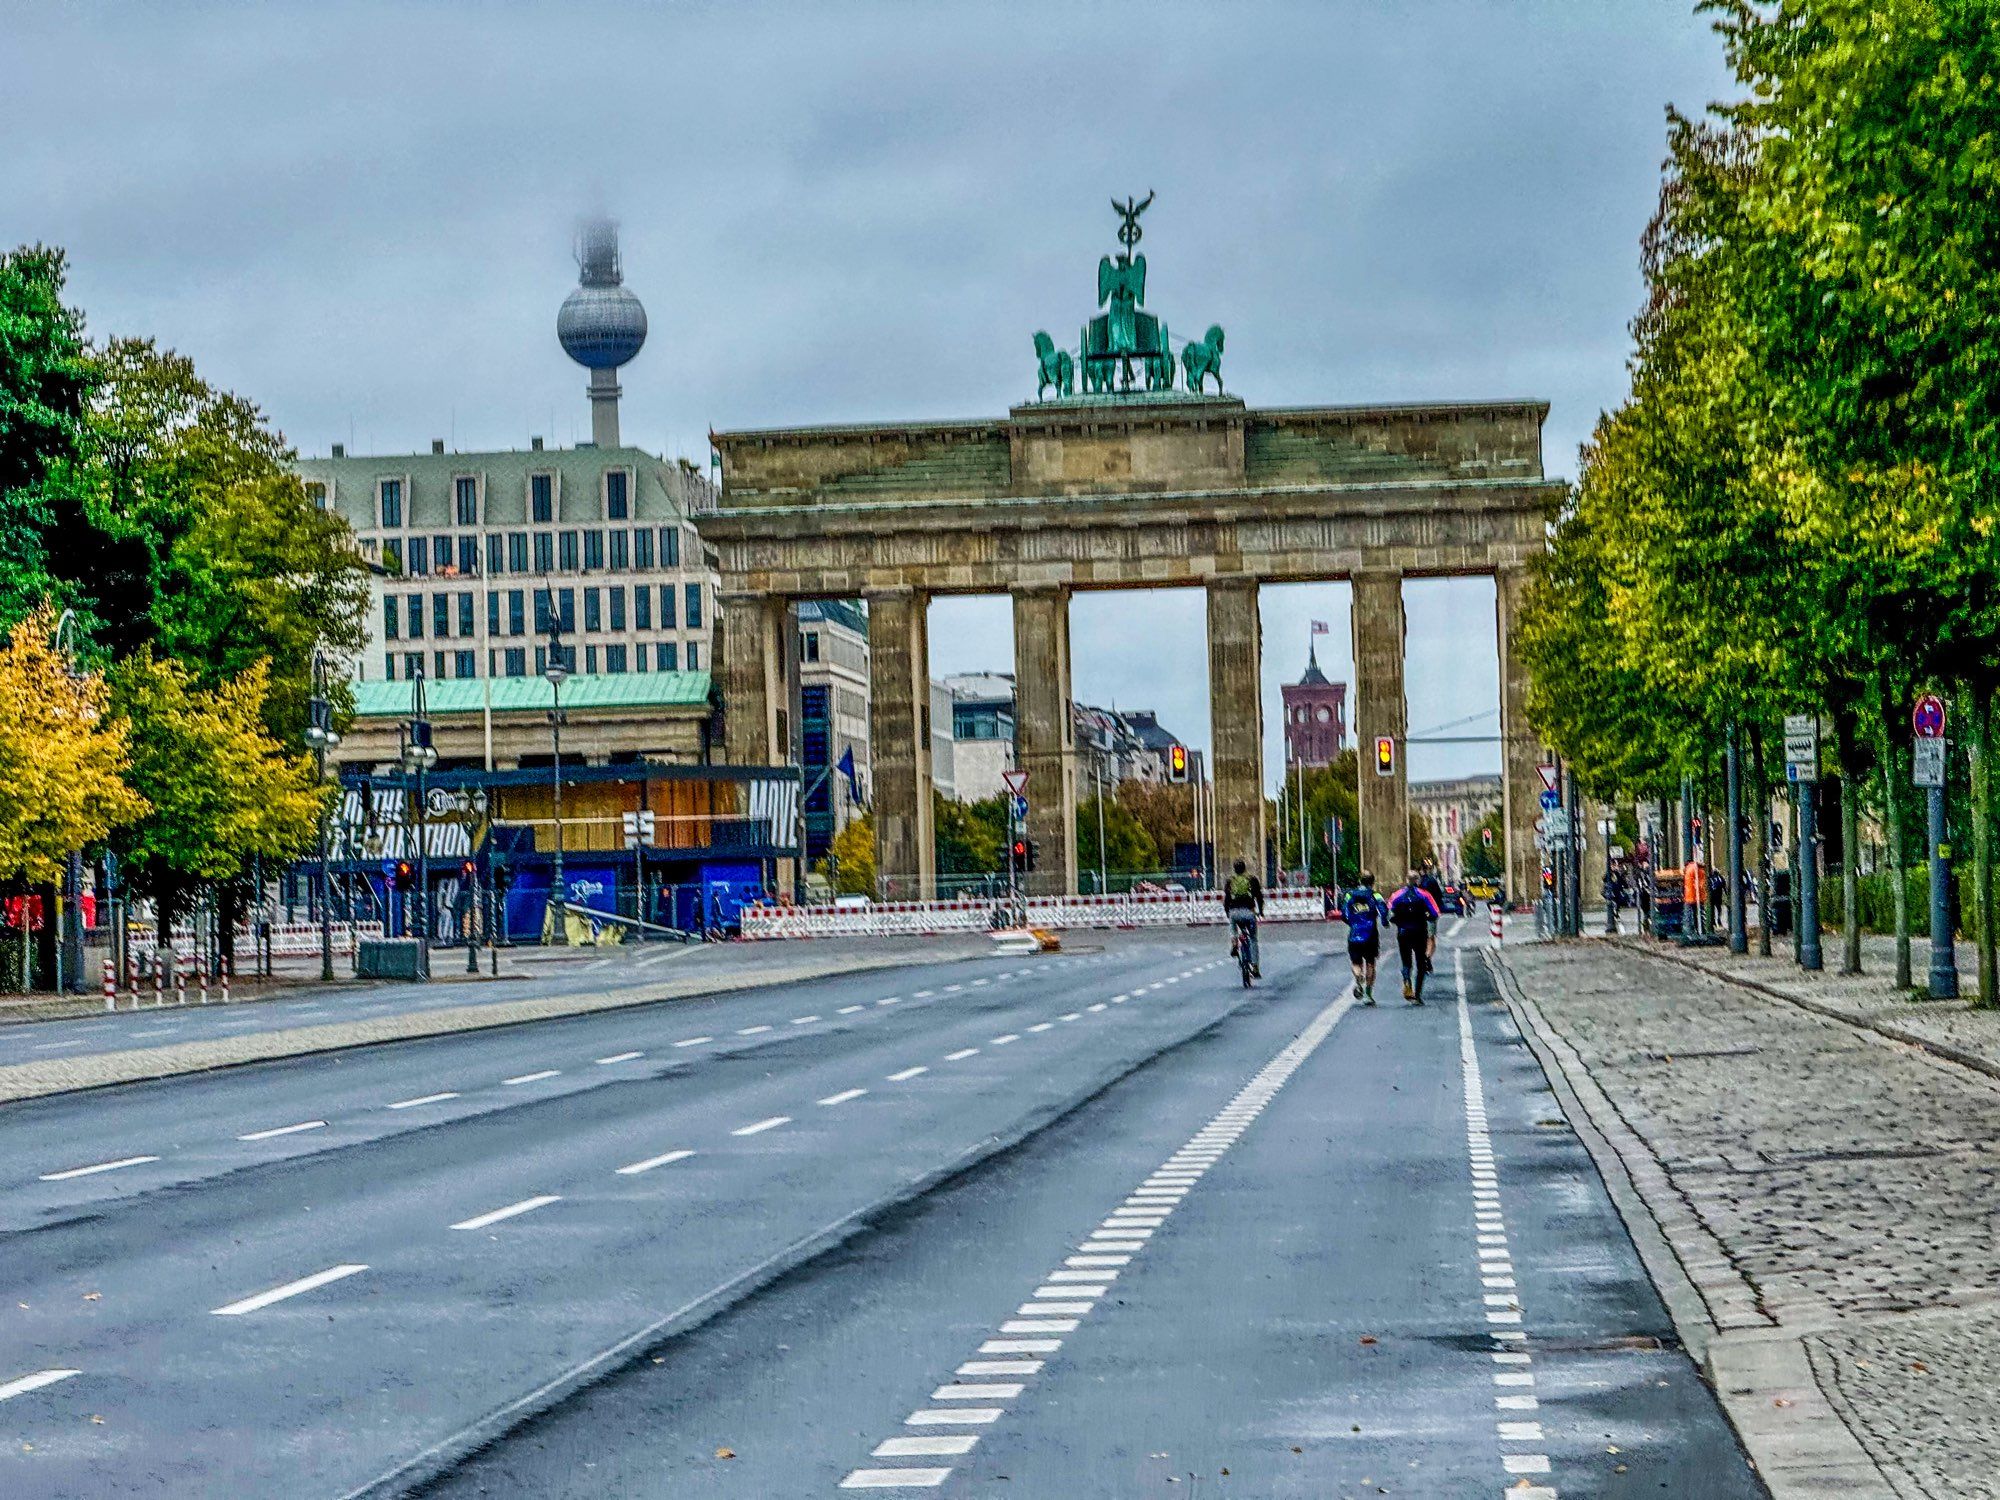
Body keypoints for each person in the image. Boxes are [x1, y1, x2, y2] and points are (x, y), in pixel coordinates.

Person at [1387, 870, 1442, 1003]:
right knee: (1420, 964)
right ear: (1418, 881)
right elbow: (1435, 912)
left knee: (1406, 961)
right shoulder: (1424, 895)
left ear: (1407, 880)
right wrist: (1426, 916)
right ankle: (1417, 995)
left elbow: (1389, 912)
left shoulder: (1397, 895)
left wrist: (1398, 921)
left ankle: (1407, 980)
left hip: (1403, 932)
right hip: (1419, 932)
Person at [1339, 871, 1389, 1003]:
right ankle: (1368, 994)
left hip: (1354, 933)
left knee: (1356, 962)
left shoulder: (1350, 895)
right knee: (1371, 963)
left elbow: (1344, 913)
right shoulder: (1375, 895)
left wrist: (1352, 923)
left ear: (1360, 881)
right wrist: (1385, 921)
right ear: (1372, 882)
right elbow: (1383, 910)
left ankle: (1359, 977)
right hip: (1370, 933)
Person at [1222, 860, 1264, 978]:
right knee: (1253, 939)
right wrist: (1261, 911)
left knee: (1233, 925)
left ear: (1234, 869)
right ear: (1245, 869)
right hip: (1249, 913)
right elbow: (1259, 896)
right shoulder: (1252, 879)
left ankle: (1235, 942)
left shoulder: (1230, 881)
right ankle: (1255, 968)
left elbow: (1227, 900)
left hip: (1235, 912)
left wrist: (1227, 913)